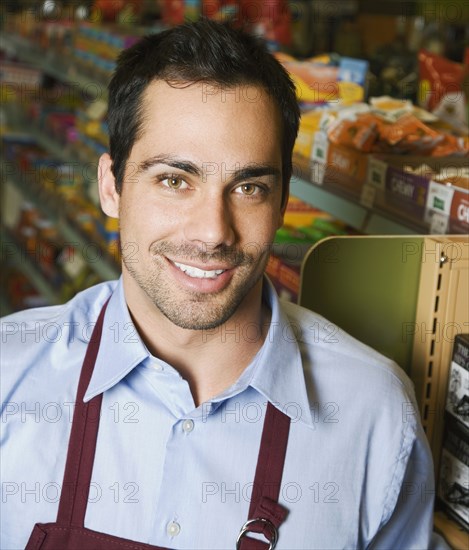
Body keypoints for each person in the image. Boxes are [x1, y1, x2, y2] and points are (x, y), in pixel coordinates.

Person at [1, 19, 447, 550]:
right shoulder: (12, 376)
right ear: (111, 187)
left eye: (249, 186)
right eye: (174, 180)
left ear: (281, 203)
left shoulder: (373, 416)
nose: (213, 231)